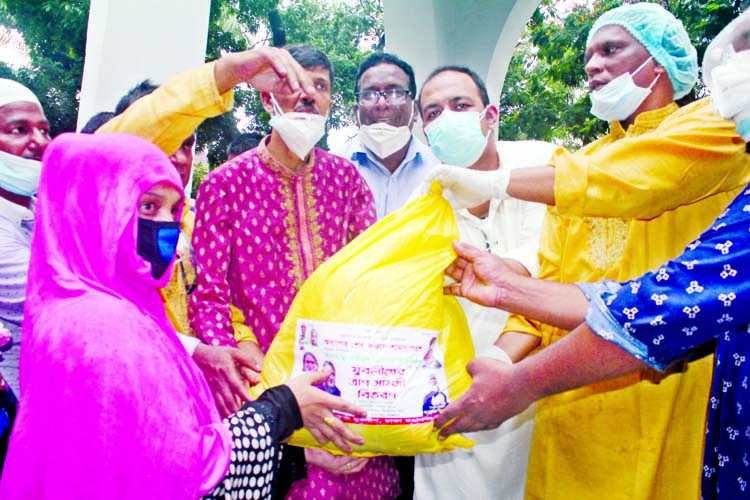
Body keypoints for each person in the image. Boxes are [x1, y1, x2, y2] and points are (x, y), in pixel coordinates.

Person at [426, 4, 750, 500]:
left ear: (660, 60)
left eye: (611, 49)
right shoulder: (577, 165)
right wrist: (498, 359)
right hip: (566, 393)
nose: (593, 65)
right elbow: (547, 284)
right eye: (588, 57)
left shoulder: (715, 128)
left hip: (659, 381)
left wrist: (497, 181)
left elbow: (632, 181)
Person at [0, 132, 368, 499]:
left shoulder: (110, 305)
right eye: (147, 207)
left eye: (172, 210)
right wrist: (284, 408)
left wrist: (295, 455)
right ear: (93, 209)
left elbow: (150, 451)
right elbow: (185, 477)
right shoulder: (98, 326)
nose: (165, 225)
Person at [188, 45, 399, 500]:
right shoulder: (225, 184)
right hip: (264, 396)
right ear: (267, 98)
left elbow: (371, 289)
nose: (306, 95)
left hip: (347, 393)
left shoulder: (347, 181)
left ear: (329, 103)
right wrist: (264, 395)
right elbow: (208, 299)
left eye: (319, 86)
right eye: (291, 84)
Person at [96, 45, 321, 417]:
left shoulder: (186, 220)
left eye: (188, 144)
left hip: (186, 401)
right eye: (166, 141)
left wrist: (244, 343)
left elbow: (210, 295)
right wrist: (227, 73)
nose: (179, 158)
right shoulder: (96, 219)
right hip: (121, 402)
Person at [414, 66, 554, 500]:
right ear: (423, 131)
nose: (447, 118)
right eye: (433, 112)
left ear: (490, 115)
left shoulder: (544, 165)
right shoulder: (422, 204)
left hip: (544, 386)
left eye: (461, 105)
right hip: (460, 393)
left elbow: (557, 263)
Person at [0, 79, 50, 471]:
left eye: (44, 129)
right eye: (19, 130)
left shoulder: (42, 210)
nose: (39, 141)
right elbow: (52, 298)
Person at [332, 52, 439, 219]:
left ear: (416, 109)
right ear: (356, 112)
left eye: (395, 93)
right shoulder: (332, 172)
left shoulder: (440, 171)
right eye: (369, 95)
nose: (382, 104)